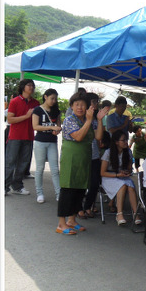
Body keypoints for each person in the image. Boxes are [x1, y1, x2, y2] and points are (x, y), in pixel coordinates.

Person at [57, 92, 108, 235]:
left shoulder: (89, 119)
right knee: (68, 190)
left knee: (80, 190)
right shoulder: (69, 120)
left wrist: (99, 120)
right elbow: (78, 137)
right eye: (76, 104)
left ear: (87, 107)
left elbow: (98, 136)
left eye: (82, 105)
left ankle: (72, 220)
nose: (79, 107)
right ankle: (61, 223)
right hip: (71, 159)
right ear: (71, 106)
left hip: (84, 158)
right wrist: (89, 120)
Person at [5, 79, 40, 196]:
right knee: (10, 162)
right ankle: (4, 187)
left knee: (23, 163)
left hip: (29, 136)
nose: (31, 87)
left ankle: (17, 186)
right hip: (15, 136)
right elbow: (10, 119)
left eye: (33, 85)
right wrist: (26, 116)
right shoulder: (14, 101)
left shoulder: (36, 103)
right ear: (23, 87)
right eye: (29, 85)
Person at [100, 130, 139, 226]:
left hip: (121, 176)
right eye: (123, 140)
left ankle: (136, 213)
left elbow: (129, 169)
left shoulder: (128, 152)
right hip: (109, 176)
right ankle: (119, 213)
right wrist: (117, 175)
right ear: (116, 142)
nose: (126, 142)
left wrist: (126, 172)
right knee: (122, 185)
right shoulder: (108, 152)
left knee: (130, 186)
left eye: (126, 140)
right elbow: (102, 172)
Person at [31, 88, 61, 204]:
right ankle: (39, 193)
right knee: (40, 168)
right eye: (52, 98)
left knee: (55, 169)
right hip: (40, 142)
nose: (54, 101)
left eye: (55, 99)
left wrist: (57, 130)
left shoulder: (56, 111)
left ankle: (58, 193)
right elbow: (35, 126)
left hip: (52, 141)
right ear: (45, 97)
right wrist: (51, 127)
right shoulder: (37, 110)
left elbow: (58, 125)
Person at [79, 92, 104, 219]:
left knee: (94, 184)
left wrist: (99, 120)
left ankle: (88, 206)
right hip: (82, 155)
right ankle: (79, 208)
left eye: (97, 101)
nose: (96, 104)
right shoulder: (80, 118)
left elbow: (98, 136)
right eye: (94, 101)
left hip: (94, 155)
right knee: (81, 184)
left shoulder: (95, 118)